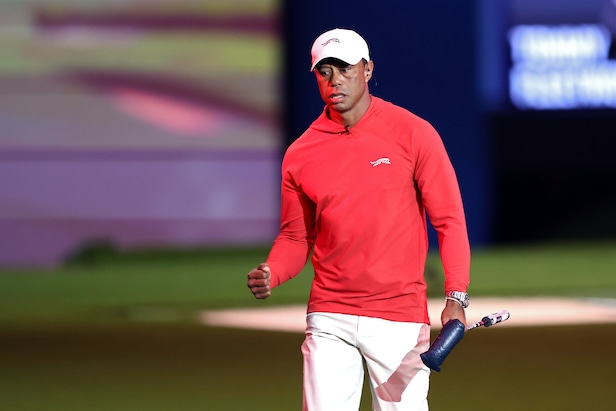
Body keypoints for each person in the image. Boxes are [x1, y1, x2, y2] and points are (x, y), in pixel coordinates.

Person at [247, 28, 471, 411]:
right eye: (324, 71)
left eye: (345, 69)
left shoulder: (413, 133)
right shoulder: (301, 153)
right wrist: (274, 271)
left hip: (398, 318)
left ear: (367, 70)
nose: (334, 80)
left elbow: (449, 221)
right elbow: (295, 238)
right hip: (329, 315)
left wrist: (456, 296)